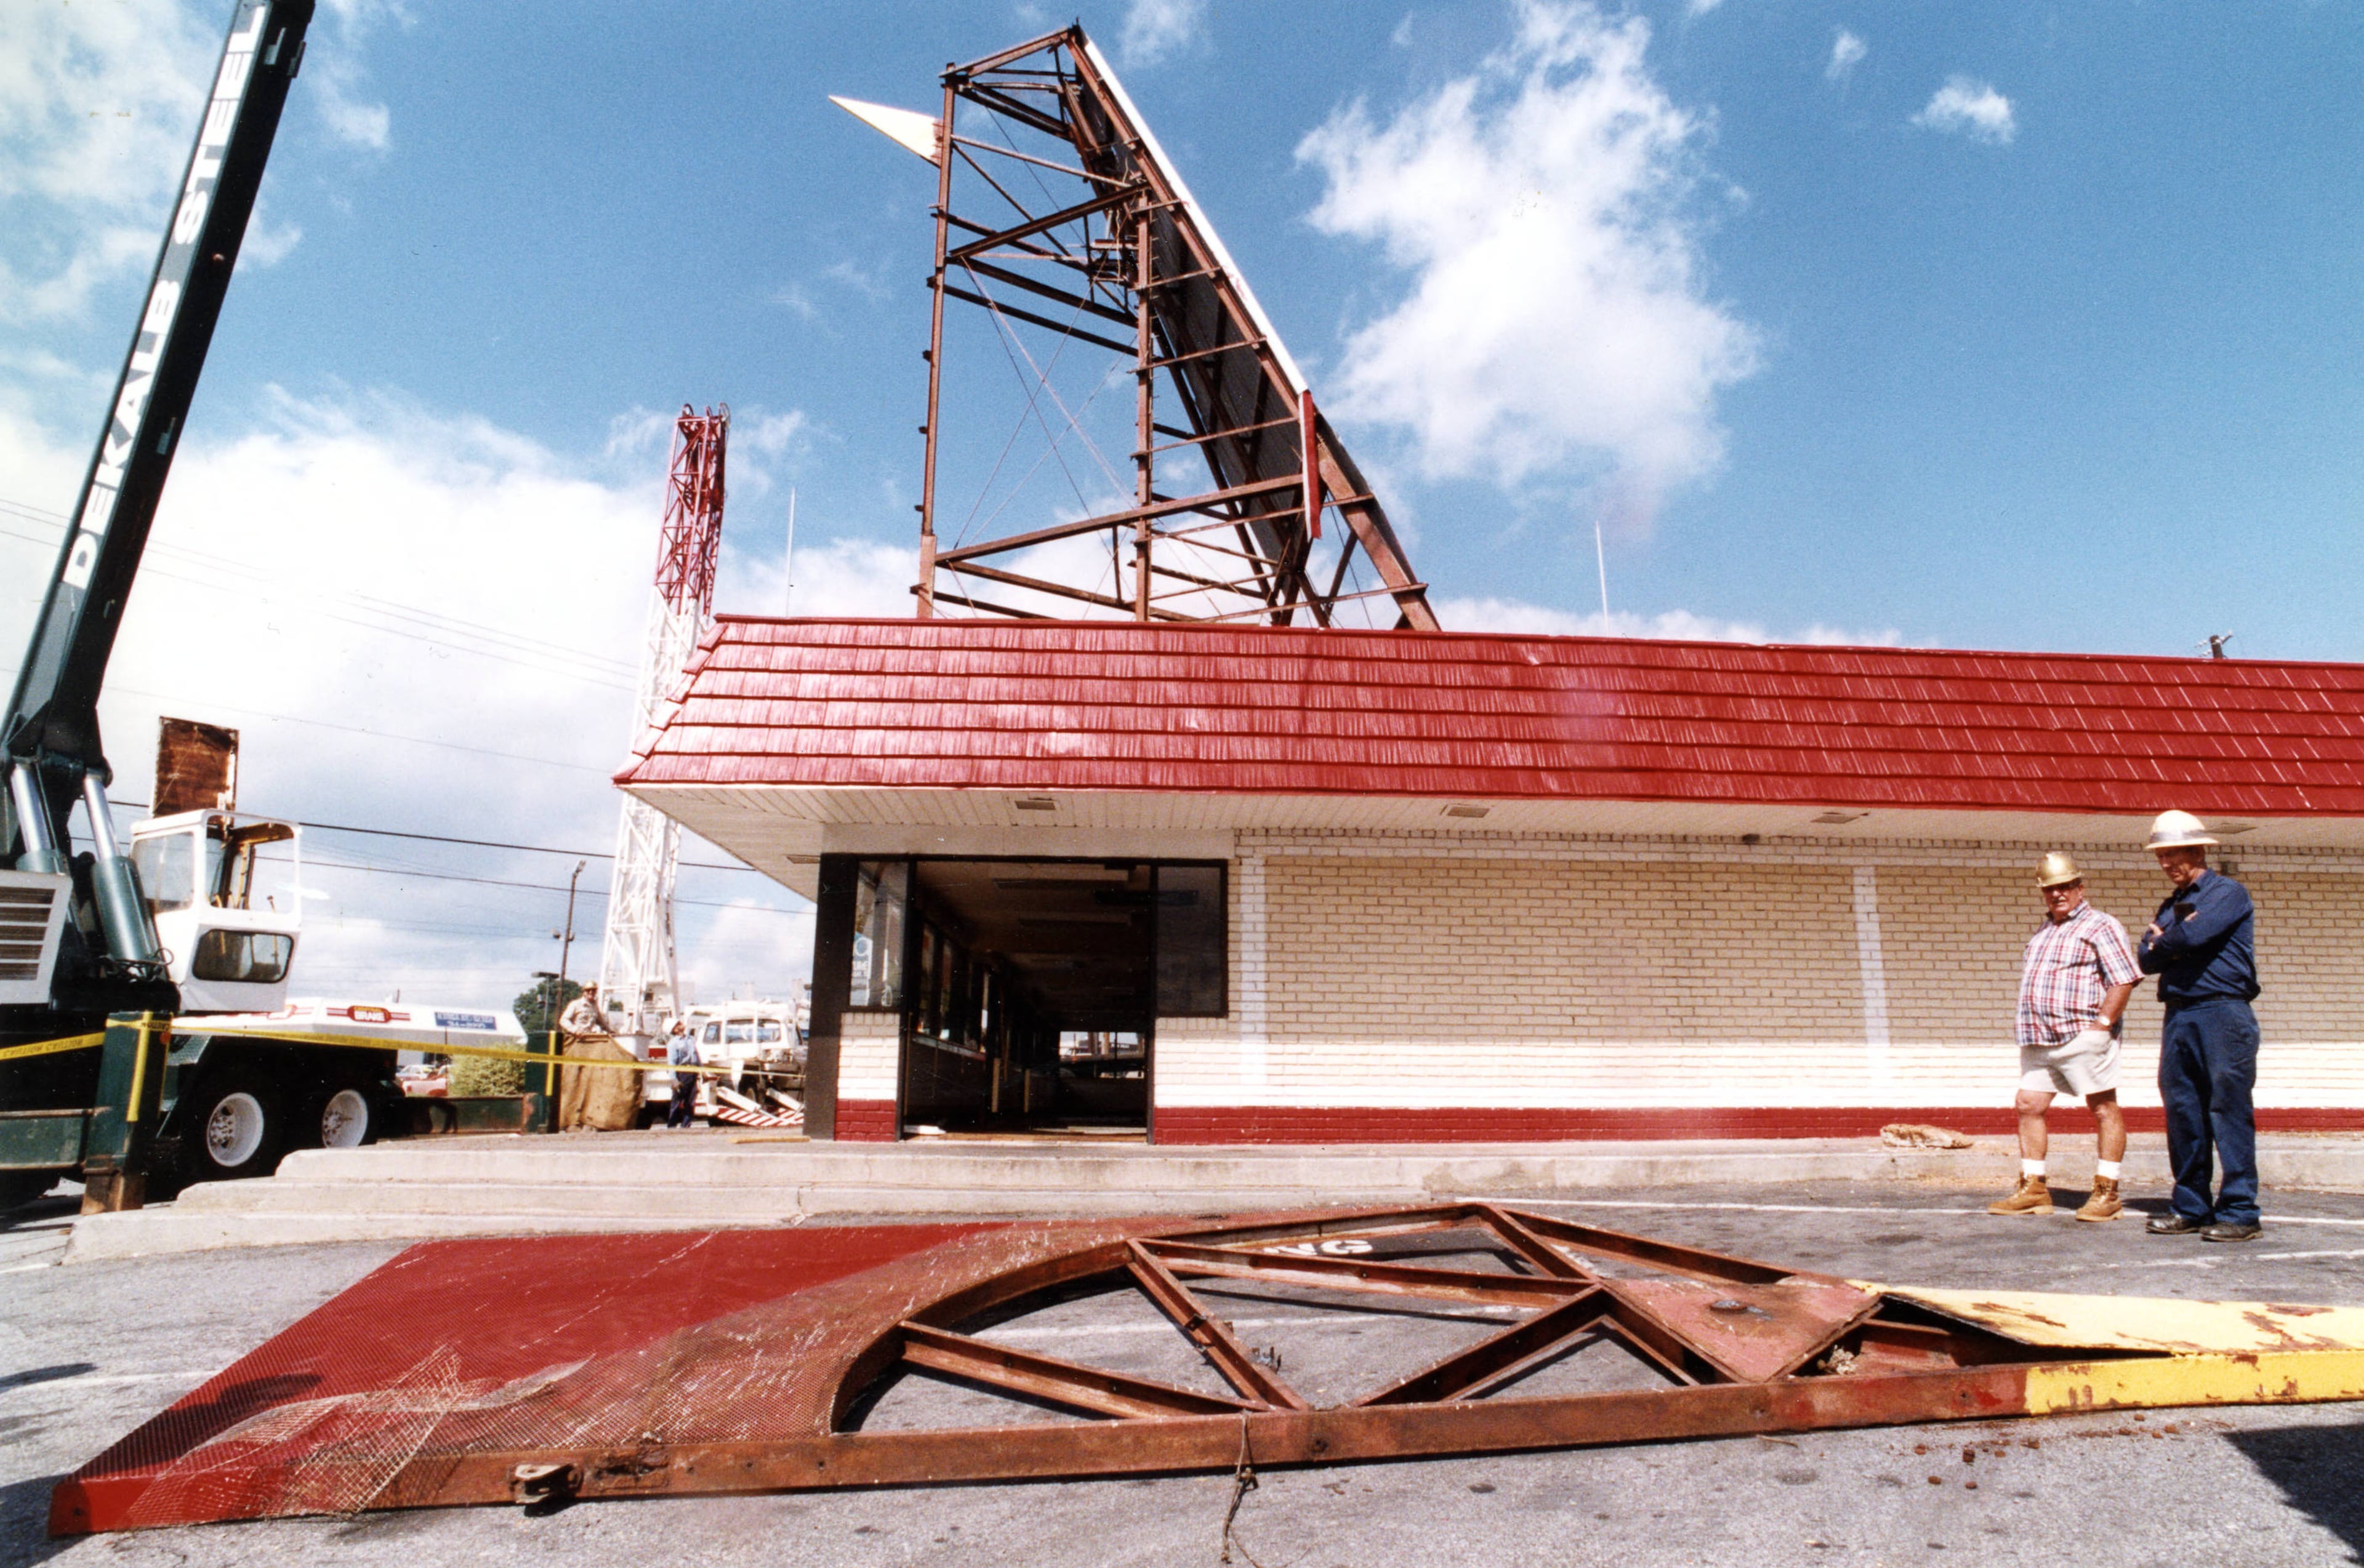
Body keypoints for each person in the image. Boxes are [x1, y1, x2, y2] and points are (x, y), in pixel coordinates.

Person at [1990, 853, 2141, 1221]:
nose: (2057, 894)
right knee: (2029, 1105)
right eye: (2050, 889)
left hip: (2082, 1036)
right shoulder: (2045, 930)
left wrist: (2103, 1024)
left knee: (2103, 1107)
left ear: (2080, 887)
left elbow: (2124, 978)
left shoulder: (2101, 926)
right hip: (2039, 1038)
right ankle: (2034, 1188)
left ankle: (2108, 1193)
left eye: (2064, 887)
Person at [2137, 810, 2263, 1242]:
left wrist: (2164, 940)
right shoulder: (2173, 905)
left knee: (2227, 1110)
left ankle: (2241, 1210)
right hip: (2180, 1013)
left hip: (2223, 1013)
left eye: (2176, 853)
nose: (2169, 863)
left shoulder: (2228, 892)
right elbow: (2146, 958)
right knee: (2184, 1111)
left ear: (2199, 850)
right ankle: (2191, 1206)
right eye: (2162, 855)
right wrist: (2166, 942)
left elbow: (2189, 938)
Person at [664, 1016, 701, 1128]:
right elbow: (672, 1063)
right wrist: (674, 1080)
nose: (682, 1024)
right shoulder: (673, 1044)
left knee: (690, 1102)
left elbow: (696, 1057)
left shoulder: (690, 1039)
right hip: (682, 1074)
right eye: (679, 1023)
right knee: (677, 1102)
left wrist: (703, 1071)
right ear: (675, 1030)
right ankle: (672, 1127)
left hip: (693, 1072)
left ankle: (686, 1127)